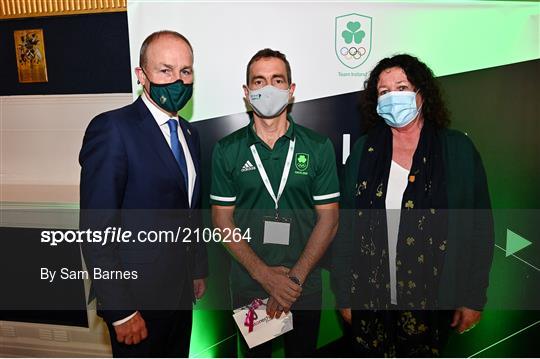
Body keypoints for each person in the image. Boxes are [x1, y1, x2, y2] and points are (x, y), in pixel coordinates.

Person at [332, 54, 494, 357]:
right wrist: (343, 294)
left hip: (434, 302)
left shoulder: (457, 149)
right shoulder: (363, 151)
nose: (393, 96)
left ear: (422, 93)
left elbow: (480, 229)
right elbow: (346, 229)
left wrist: (473, 298)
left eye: (402, 87)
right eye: (383, 91)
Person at [79, 30, 208, 357]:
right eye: (165, 70)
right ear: (142, 75)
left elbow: (191, 210)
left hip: (180, 297)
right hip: (136, 301)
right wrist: (121, 309)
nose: (177, 80)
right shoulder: (112, 129)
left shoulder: (190, 134)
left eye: (185, 71)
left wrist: (196, 270)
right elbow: (96, 230)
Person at [210, 48, 339, 357]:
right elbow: (221, 220)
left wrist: (292, 279)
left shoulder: (318, 147)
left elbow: (329, 219)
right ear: (246, 93)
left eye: (276, 80)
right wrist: (265, 276)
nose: (267, 88)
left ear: (290, 90)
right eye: (259, 81)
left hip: (302, 288)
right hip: (250, 287)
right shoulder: (227, 150)